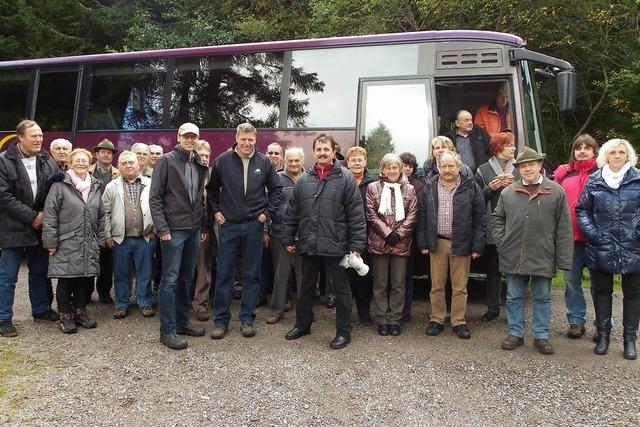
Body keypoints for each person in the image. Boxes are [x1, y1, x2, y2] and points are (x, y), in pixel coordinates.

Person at [283, 134, 366, 350]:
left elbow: (356, 215)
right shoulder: (304, 179)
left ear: (333, 151)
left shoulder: (346, 178)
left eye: (325, 149)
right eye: (318, 149)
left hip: (336, 244)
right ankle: (303, 325)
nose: (322, 152)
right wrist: (289, 238)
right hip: (308, 242)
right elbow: (292, 212)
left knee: (341, 290)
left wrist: (356, 246)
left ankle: (343, 332)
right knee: (305, 287)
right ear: (314, 152)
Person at [492, 147, 573, 355]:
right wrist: (503, 242)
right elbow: (497, 218)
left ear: (539, 165)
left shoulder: (555, 191)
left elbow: (564, 227)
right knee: (513, 296)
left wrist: (563, 259)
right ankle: (515, 333)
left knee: (543, 297)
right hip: (513, 254)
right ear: (518, 169)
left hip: (543, 254)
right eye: (523, 166)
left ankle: (541, 336)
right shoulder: (508, 192)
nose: (527, 168)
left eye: (531, 164)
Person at [208, 123, 282, 339]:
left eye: (251, 139)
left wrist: (266, 214)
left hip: (254, 226)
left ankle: (247, 319)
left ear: (255, 139)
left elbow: (276, 190)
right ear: (237, 138)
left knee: (251, 275)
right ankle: (221, 321)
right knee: (224, 275)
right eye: (244, 139)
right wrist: (216, 211)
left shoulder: (264, 162)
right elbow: (212, 190)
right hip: (229, 225)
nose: (247, 143)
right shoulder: (223, 160)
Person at [577, 138, 640, 360]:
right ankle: (603, 336)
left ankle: (629, 340)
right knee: (602, 292)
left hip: (633, 246)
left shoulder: (638, 179)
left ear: (628, 155)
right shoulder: (594, 181)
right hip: (601, 245)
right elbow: (582, 210)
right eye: (612, 152)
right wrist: (594, 234)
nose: (617, 155)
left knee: (633, 294)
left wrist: (637, 231)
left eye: (621, 152)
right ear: (605, 155)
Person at [150, 122, 209, 350]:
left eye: (194, 136)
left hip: (193, 228)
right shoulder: (166, 161)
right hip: (173, 230)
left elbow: (199, 199)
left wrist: (202, 226)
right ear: (178, 137)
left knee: (186, 278)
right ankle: (167, 330)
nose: (190, 139)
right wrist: (162, 229)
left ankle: (183, 322)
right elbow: (155, 198)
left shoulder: (197, 162)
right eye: (186, 136)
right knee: (169, 280)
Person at [0, 120, 60, 337]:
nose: (39, 140)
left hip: (40, 227)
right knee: (8, 276)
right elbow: (4, 196)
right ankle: (3, 318)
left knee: (40, 272)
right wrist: (32, 216)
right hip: (13, 228)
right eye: (34, 136)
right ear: (20, 138)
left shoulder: (46, 160)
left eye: (41, 135)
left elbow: (56, 189)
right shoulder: (4, 161)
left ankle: (41, 309)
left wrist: (44, 215)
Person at [417, 151, 485, 339]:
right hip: (437, 242)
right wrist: (422, 242)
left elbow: (480, 218)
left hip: (462, 242)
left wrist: (478, 245)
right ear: (439, 167)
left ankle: (459, 321)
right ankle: (437, 319)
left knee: (460, 286)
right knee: (436, 285)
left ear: (459, 167)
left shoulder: (471, 187)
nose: (447, 170)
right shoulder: (429, 187)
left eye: (451, 166)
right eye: (443, 166)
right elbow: (422, 216)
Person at [43, 148, 105, 334]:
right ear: (69, 163)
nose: (81, 163)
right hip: (66, 241)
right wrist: (50, 242)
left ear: (90, 163)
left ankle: (80, 312)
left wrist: (100, 240)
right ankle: (65, 316)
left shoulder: (95, 185)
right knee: (66, 279)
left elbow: (101, 215)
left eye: (84, 160)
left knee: (83, 278)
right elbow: (50, 215)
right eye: (77, 160)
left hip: (88, 240)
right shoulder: (60, 185)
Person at [366, 153, 418, 336]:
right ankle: (382, 319)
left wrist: (398, 234)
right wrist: (388, 234)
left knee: (398, 284)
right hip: (379, 242)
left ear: (400, 169)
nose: (392, 170)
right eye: (388, 167)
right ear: (382, 169)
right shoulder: (372, 187)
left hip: (401, 243)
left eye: (395, 167)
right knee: (380, 284)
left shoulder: (410, 189)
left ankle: (395, 319)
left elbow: (413, 215)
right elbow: (371, 214)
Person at [554, 134, 599, 339]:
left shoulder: (602, 173)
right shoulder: (564, 175)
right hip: (571, 238)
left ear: (594, 151)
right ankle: (576, 321)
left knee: (600, 284)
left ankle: (603, 323)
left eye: (587, 148)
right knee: (572, 281)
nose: (582, 151)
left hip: (597, 240)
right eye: (578, 147)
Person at [102, 150, 156, 320]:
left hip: (145, 237)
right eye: (124, 163)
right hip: (120, 238)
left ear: (139, 165)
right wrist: (107, 234)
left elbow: (157, 207)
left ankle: (145, 302)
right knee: (121, 272)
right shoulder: (112, 186)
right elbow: (105, 212)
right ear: (119, 167)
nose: (128, 166)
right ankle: (121, 304)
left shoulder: (150, 183)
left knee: (145, 272)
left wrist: (155, 229)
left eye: (131, 162)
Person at [474, 131, 519, 322]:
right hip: (493, 228)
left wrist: (515, 185)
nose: (514, 148)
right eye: (510, 145)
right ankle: (492, 308)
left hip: (515, 227)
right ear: (499, 147)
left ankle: (512, 311)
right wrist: (489, 188)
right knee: (493, 270)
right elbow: (475, 199)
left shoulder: (519, 168)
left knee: (513, 271)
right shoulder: (483, 170)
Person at [265, 147, 305, 324]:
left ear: (302, 161)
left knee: (304, 276)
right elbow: (268, 206)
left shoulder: (309, 179)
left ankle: (305, 311)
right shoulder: (276, 179)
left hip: (305, 234)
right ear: (284, 161)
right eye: (290, 161)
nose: (294, 164)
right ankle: (277, 310)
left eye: (297, 160)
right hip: (279, 233)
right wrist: (265, 230)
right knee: (281, 275)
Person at [345, 146, 376, 325]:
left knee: (363, 278)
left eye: (360, 159)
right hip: (345, 237)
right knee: (345, 279)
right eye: (353, 160)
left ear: (365, 162)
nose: (357, 163)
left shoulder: (373, 183)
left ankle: (364, 315)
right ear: (347, 163)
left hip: (367, 237)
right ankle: (345, 316)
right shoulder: (342, 179)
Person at [88, 138, 120, 304]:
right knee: (88, 256)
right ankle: (86, 292)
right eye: (103, 152)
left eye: (109, 153)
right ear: (96, 154)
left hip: (108, 220)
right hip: (89, 219)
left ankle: (104, 292)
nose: (106, 155)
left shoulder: (118, 173)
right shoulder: (87, 171)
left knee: (107, 260)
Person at [192, 140, 217, 322]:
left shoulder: (212, 174)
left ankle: (202, 301)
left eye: (207, 156)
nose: (204, 159)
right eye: (201, 155)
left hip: (211, 226)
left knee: (206, 265)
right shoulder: (190, 174)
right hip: (193, 226)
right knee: (195, 266)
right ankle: (196, 303)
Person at [399, 151, 424, 322]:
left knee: (407, 276)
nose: (406, 169)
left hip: (410, 237)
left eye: (409, 166)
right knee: (393, 277)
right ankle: (394, 309)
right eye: (404, 165)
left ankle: (406, 310)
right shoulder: (387, 184)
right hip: (390, 237)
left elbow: (418, 213)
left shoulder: (418, 186)